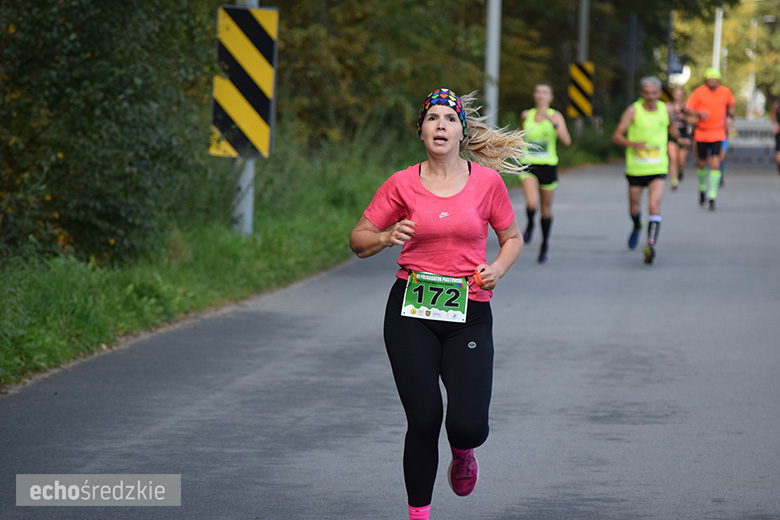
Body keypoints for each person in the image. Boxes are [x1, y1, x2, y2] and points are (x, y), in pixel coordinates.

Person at [349, 88, 525, 520]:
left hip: (469, 311)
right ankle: (418, 515)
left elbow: (512, 239)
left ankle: (463, 451)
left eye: (449, 118)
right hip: (411, 310)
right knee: (424, 418)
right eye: (433, 119)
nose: (441, 125)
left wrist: (497, 270)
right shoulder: (401, 183)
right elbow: (358, 240)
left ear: (462, 132)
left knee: (467, 425)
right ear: (421, 131)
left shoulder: (487, 183)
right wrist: (387, 237)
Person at [611, 76, 688, 264]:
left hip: (657, 167)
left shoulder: (666, 109)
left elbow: (671, 128)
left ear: (659, 93)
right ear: (641, 93)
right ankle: (637, 226)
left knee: (654, 206)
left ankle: (650, 244)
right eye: (647, 93)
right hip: (636, 169)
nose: (651, 96)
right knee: (634, 209)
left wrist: (679, 139)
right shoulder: (632, 111)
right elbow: (616, 136)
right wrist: (631, 143)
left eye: (654, 93)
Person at [518, 83, 572, 263]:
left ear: (550, 97)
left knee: (546, 210)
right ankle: (530, 223)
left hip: (548, 166)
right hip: (529, 164)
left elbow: (566, 140)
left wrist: (553, 122)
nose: (540, 95)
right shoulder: (526, 115)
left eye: (544, 92)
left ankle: (544, 245)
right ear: (534, 95)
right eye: (538, 92)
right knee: (532, 203)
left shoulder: (556, 116)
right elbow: (518, 137)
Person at [684, 67, 735, 210]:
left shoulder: (725, 92)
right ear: (706, 81)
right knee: (701, 164)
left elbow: (731, 105)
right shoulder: (699, 92)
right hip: (701, 132)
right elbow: (687, 108)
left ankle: (712, 196)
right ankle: (702, 189)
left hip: (718, 132)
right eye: (711, 80)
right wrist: (699, 114)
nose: (713, 82)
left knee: (715, 162)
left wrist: (730, 118)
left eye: (716, 80)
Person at [667, 86, 692, 191]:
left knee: (681, 161)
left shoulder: (687, 107)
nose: (677, 97)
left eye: (679, 94)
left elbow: (694, 120)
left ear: (683, 96)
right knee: (673, 159)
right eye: (676, 94)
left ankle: (681, 170)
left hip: (683, 135)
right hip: (671, 135)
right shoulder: (668, 107)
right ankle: (674, 182)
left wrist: (685, 117)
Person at [770, 99, 780, 175]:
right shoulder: (777, 103)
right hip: (779, 131)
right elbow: (772, 113)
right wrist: (775, 123)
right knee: (778, 154)